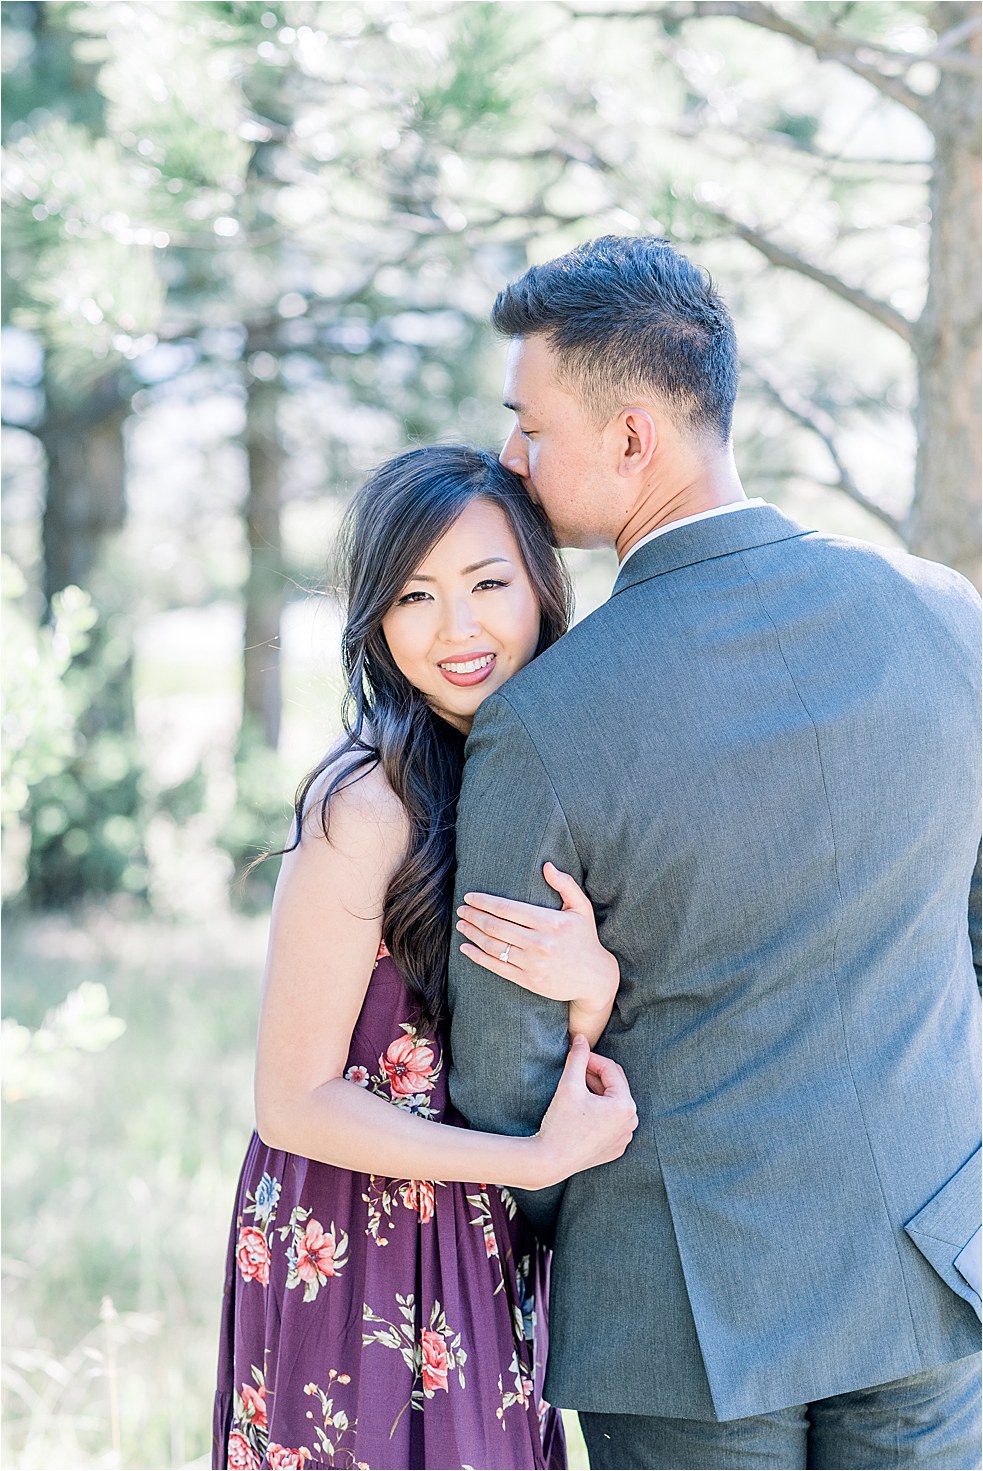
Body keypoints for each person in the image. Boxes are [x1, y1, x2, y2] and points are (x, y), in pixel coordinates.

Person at [446, 235, 982, 1471]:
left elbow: (502, 1079)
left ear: (630, 438)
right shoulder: (944, 616)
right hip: (930, 1252)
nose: (512, 460)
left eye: (530, 427)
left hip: (680, 1311)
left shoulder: (545, 716)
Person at [212, 444, 638, 1471]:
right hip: (351, 1237)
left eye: (487, 584)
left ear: (541, 583)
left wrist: (594, 990)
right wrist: (528, 1162)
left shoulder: (533, 773)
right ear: (374, 620)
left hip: (479, 1243)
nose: (456, 630)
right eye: (413, 596)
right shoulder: (366, 802)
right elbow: (293, 1099)